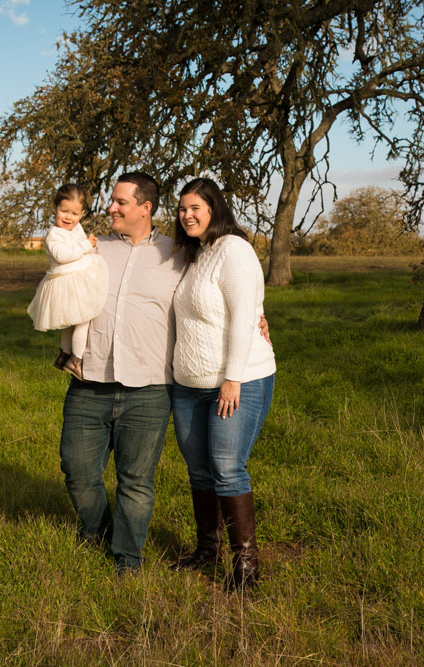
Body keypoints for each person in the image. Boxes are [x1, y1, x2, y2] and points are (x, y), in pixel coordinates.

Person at [59, 172, 185, 573]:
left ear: (145, 208)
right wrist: (64, 353)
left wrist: (258, 317)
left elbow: (213, 298)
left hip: (148, 389)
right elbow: (63, 290)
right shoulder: (92, 248)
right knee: (77, 469)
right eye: (112, 201)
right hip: (88, 380)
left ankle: (126, 558)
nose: (110, 208)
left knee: (136, 481)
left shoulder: (178, 254)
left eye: (120, 202)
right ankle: (97, 532)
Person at [169, 177, 276, 590]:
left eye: (196, 207)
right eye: (182, 209)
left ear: (214, 208)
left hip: (237, 380)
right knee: (198, 470)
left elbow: (243, 317)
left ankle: (246, 565)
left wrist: (231, 379)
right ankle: (206, 551)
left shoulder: (235, 250)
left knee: (227, 469)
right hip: (188, 384)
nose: (188, 215)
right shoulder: (194, 254)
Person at [27, 184, 109, 380]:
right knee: (83, 319)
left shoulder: (76, 228)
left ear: (81, 214)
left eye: (74, 213)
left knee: (71, 322)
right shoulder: (54, 235)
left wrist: (89, 244)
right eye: (64, 211)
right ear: (55, 208)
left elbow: (81, 245)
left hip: (76, 279)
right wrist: (84, 246)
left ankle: (64, 355)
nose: (68, 217)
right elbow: (63, 255)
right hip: (66, 282)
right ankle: (76, 360)